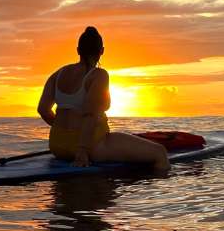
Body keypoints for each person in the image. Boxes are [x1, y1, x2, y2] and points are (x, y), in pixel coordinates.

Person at [37, 27, 169, 171]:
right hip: (90, 145)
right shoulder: (98, 75)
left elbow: (43, 110)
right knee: (160, 153)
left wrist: (64, 131)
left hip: (57, 145)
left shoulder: (58, 74)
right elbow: (90, 114)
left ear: (78, 50)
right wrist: (82, 151)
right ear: (102, 51)